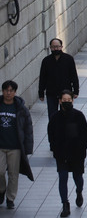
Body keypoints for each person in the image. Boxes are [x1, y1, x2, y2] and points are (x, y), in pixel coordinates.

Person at [48, 90, 87, 217]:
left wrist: (82, 148)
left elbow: (85, 134)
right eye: (64, 100)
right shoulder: (55, 117)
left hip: (77, 153)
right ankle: (65, 204)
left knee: (78, 177)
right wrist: (55, 148)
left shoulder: (79, 116)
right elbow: (51, 134)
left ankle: (79, 191)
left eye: (69, 100)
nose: (66, 102)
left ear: (72, 100)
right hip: (61, 154)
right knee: (63, 177)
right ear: (60, 101)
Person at [0, 81, 33, 210]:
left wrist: (28, 147)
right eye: (6, 90)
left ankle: (10, 198)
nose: (8, 93)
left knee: (13, 174)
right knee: (0, 171)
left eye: (11, 90)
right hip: (1, 146)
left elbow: (28, 128)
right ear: (3, 91)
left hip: (15, 147)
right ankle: (2, 189)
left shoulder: (21, 108)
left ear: (15, 92)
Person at [39, 38, 79, 118]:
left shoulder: (69, 59)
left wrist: (76, 90)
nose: (55, 49)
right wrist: (41, 93)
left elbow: (74, 75)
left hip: (66, 93)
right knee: (52, 115)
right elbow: (42, 78)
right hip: (51, 93)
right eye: (53, 47)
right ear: (50, 48)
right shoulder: (46, 61)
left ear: (61, 47)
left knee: (66, 114)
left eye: (57, 46)